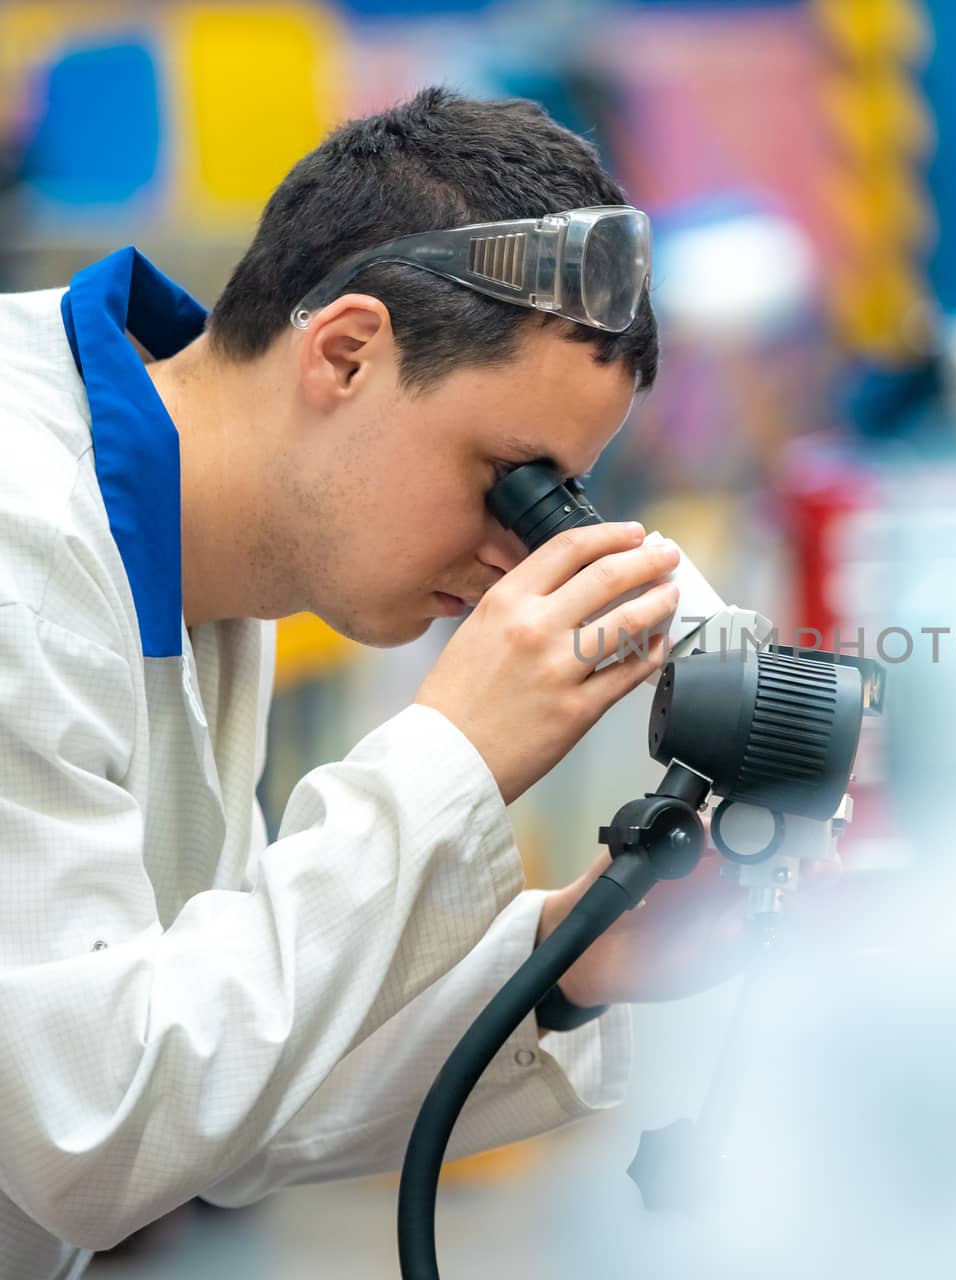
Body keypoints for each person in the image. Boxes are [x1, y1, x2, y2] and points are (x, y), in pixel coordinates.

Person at [0, 87, 747, 1279]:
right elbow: (84, 1132)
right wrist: (453, 748)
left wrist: (571, 960)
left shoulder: (189, 554)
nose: (525, 549)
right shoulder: (22, 538)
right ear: (345, 352)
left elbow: (218, 1087)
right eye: (511, 476)